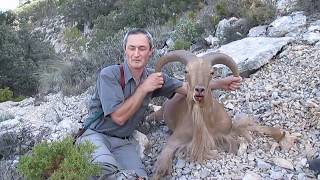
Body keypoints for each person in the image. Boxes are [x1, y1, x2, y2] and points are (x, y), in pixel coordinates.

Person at [76, 28, 242, 179]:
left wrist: (220, 83)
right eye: (131, 48)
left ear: (150, 52)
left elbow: (188, 88)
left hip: (124, 142)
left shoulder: (154, 77)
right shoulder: (109, 75)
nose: (136, 54)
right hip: (97, 135)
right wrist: (144, 88)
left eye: (142, 48)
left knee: (140, 177)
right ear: (125, 51)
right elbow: (118, 118)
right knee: (103, 169)